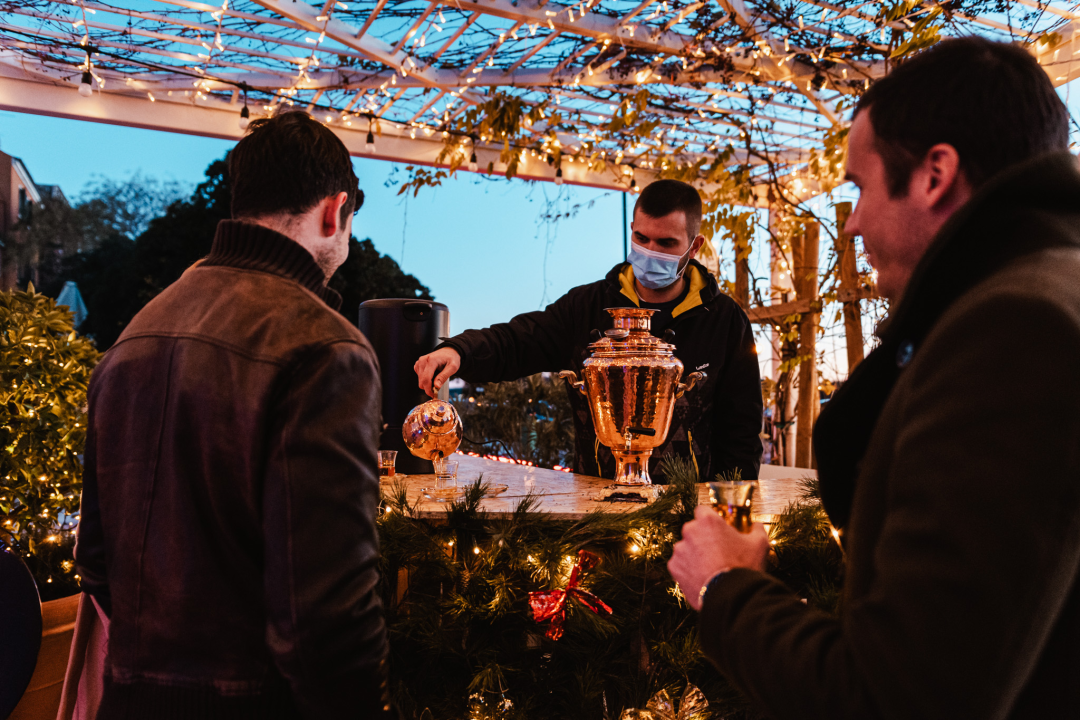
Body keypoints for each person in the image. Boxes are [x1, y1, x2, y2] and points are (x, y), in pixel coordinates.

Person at [668, 37, 1080, 718]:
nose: (853, 222)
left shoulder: (1015, 329)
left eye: (860, 187)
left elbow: (898, 696)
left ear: (934, 174)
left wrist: (726, 586)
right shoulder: (1050, 295)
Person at [74, 111, 392, 718]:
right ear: (335, 212)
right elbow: (327, 620)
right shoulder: (325, 347)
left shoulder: (133, 337)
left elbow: (96, 562)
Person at [414, 180, 762, 482]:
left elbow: (742, 434)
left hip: (689, 517)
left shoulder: (725, 321)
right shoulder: (587, 306)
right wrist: (459, 350)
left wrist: (730, 514)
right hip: (593, 510)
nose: (650, 252)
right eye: (641, 238)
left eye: (666, 243)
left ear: (694, 246)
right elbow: (520, 338)